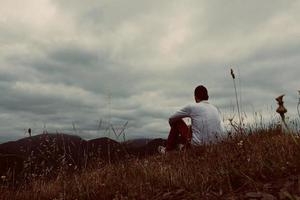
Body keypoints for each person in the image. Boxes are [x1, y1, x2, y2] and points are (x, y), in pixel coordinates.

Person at [158, 85, 225, 153]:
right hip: (215, 146)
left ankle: (168, 150)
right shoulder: (215, 109)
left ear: (195, 97)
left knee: (177, 121)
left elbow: (172, 119)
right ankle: (183, 148)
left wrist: (175, 130)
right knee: (191, 127)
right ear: (207, 97)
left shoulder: (192, 107)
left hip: (198, 146)